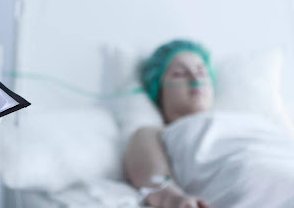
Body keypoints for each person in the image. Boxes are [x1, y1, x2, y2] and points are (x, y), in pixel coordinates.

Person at [124, 40, 294, 208]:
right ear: (158, 89)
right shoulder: (156, 133)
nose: (194, 77)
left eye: (201, 71)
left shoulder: (261, 122)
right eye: (179, 73)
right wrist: (173, 199)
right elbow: (154, 180)